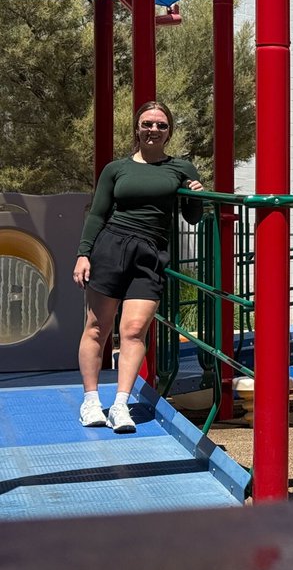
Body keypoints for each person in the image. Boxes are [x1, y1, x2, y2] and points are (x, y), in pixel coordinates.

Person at [74, 101, 204, 433]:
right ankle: (90, 401)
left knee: (133, 331)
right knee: (96, 328)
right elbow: (97, 213)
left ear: (168, 131)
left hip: (150, 254)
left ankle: (120, 404)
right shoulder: (116, 169)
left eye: (161, 125)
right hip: (111, 246)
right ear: (137, 128)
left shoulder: (181, 168)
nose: (154, 130)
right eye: (148, 124)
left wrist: (196, 194)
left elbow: (193, 216)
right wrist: (83, 253)